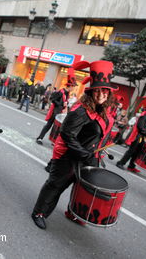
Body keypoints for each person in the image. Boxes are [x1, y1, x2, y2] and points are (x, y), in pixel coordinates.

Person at [31, 60, 116, 230]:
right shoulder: (81, 110)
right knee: (56, 185)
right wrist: (83, 153)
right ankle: (39, 212)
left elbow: (100, 135)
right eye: (97, 91)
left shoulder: (103, 111)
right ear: (90, 92)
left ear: (108, 93)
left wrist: (96, 154)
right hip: (69, 157)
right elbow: (67, 134)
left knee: (81, 187)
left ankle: (73, 213)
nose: (100, 95)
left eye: (104, 91)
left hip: (88, 158)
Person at [116, 95, 146, 173]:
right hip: (137, 136)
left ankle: (131, 166)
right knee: (131, 151)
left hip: (142, 137)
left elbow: (145, 127)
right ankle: (120, 163)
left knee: (137, 152)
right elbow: (140, 127)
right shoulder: (145, 114)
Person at [36, 68, 77, 145]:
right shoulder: (60, 92)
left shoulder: (67, 93)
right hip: (55, 112)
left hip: (60, 112)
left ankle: (53, 141)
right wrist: (61, 104)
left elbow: (65, 102)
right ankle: (40, 138)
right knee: (48, 125)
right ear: (70, 86)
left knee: (58, 128)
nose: (73, 88)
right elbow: (52, 99)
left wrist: (65, 104)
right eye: (73, 86)